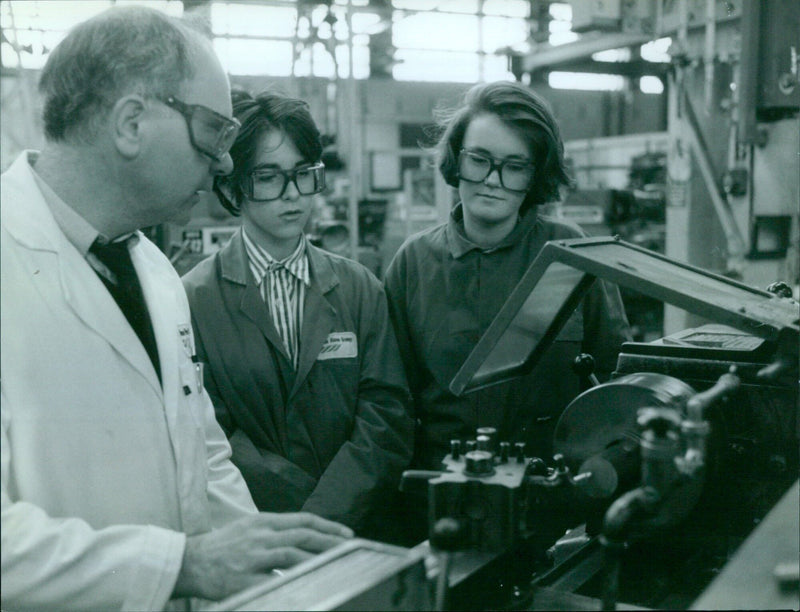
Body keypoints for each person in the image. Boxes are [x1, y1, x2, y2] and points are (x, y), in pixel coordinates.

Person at [0, 8, 353, 610]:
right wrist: (179, 565)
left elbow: (203, 453)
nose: (224, 163)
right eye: (215, 132)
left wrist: (274, 574)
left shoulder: (153, 271)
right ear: (132, 123)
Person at [383, 81, 631, 540]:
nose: (493, 181)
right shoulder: (413, 264)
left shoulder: (572, 252)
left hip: (560, 507)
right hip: (444, 509)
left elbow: (616, 381)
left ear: (535, 176)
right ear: (456, 161)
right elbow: (390, 404)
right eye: (480, 160)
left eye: (515, 166)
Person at [181, 89, 414, 542]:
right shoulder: (193, 299)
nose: (293, 196)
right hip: (254, 531)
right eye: (268, 177)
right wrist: (297, 516)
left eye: (304, 175)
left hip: (356, 530)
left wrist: (329, 514)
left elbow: (387, 414)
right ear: (232, 186)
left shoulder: (360, 288)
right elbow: (210, 430)